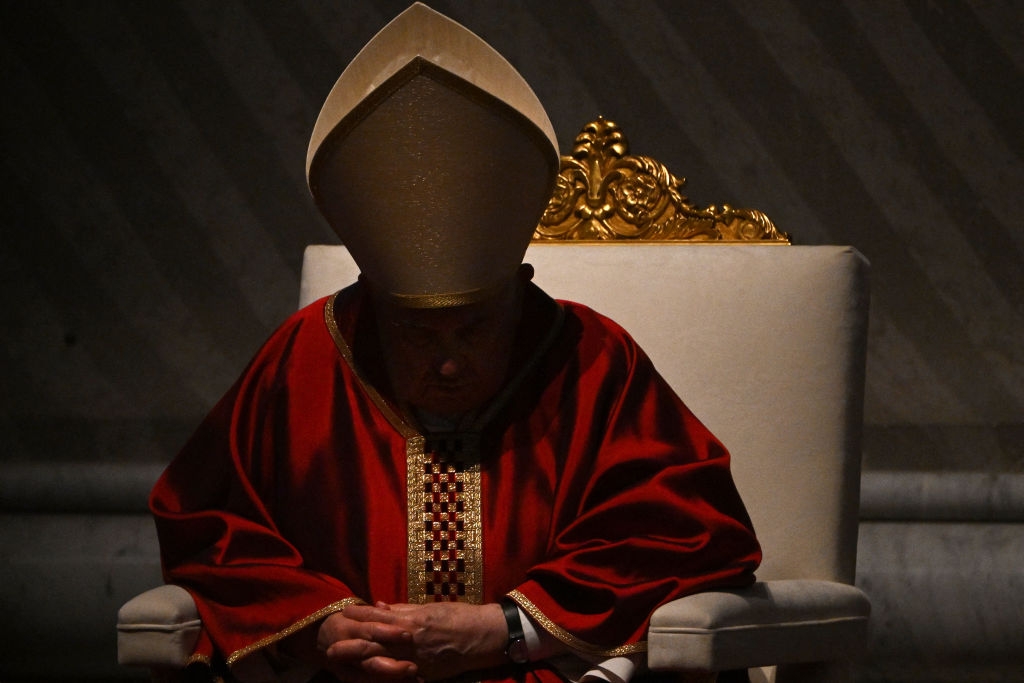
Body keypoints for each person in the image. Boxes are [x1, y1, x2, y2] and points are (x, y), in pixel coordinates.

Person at [150, 5, 761, 683]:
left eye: (473, 330)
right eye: (416, 334)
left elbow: (687, 534)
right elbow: (208, 524)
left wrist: (508, 628)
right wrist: (321, 623)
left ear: (519, 292)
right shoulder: (309, 357)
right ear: (371, 305)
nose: (446, 362)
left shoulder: (590, 358)